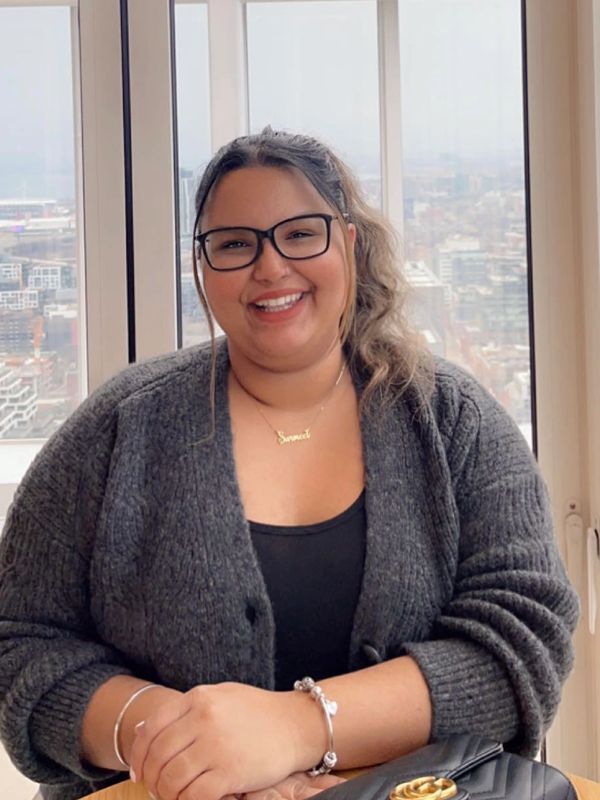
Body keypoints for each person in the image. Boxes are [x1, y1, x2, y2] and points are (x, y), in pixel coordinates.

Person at [0, 128, 579, 800]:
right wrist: (176, 743)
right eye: (234, 244)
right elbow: (21, 642)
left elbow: (524, 646)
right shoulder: (117, 427)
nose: (271, 267)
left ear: (349, 245)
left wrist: (298, 727)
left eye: (301, 234)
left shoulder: (454, 421)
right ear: (201, 267)